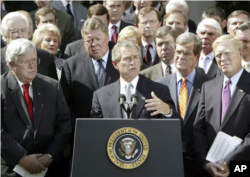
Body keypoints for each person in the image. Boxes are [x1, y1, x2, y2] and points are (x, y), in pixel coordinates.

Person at [0, 38, 71, 177]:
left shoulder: (52, 87)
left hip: (48, 166)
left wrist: (50, 155)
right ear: (11, 64)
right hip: (10, 166)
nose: (32, 66)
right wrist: (21, 158)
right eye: (26, 62)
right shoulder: (1, 88)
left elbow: (64, 125)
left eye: (34, 60)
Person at [157, 33, 213, 177]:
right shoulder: (159, 85)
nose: (181, 56)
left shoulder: (211, 84)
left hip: (199, 164)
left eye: (187, 53)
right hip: (166, 160)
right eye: (178, 52)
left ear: (197, 57)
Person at [193, 34, 250, 177]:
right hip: (211, 169)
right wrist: (205, 163)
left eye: (227, 54)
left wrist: (229, 162)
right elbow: (198, 128)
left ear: (240, 53)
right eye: (218, 55)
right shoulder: (208, 87)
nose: (222, 59)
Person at [91, 40, 182, 123]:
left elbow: (178, 126)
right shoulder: (101, 96)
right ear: (115, 64)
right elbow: (96, 131)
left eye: (135, 57)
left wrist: (167, 111)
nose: (132, 62)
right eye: (127, 58)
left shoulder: (158, 90)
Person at [60, 17, 119, 130]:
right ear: (83, 41)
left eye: (98, 39)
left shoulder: (121, 61)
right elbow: (67, 103)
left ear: (107, 37)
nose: (94, 44)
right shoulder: (71, 65)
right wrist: (79, 127)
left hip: (117, 129)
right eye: (89, 40)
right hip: (84, 131)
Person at [0, 12, 58, 80]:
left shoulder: (45, 57)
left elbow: (54, 88)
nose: (20, 35)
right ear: (5, 34)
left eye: (23, 30)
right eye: (14, 31)